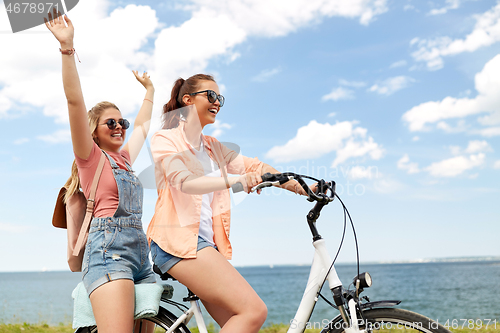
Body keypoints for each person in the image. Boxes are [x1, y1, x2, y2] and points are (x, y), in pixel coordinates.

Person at [147, 73, 317, 333]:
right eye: (211, 95)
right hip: (177, 243)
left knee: (239, 324)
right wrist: (236, 180)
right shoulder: (166, 139)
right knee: (254, 311)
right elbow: (184, 181)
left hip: (206, 246)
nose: (217, 102)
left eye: (220, 98)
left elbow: (256, 167)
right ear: (188, 100)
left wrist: (304, 188)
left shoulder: (214, 147)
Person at [45, 10, 156, 333]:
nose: (120, 127)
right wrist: (67, 48)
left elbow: (143, 126)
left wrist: (149, 90)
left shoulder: (124, 159)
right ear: (95, 131)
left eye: (121, 122)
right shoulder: (90, 157)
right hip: (108, 256)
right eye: (112, 122)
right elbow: (75, 103)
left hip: (140, 256)